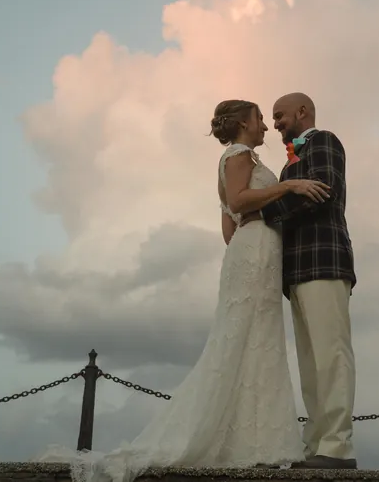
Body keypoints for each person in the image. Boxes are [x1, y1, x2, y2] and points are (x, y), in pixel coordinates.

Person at [35, 99, 331, 481]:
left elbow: (230, 230)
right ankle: (252, 442)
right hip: (256, 253)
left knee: (254, 340)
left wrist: (259, 224)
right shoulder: (239, 155)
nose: (264, 127)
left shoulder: (237, 160)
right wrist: (288, 186)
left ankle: (254, 442)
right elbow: (239, 201)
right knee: (247, 339)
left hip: (251, 249)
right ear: (244, 123)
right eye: (260, 119)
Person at [245, 92, 358, 470]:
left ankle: (338, 448)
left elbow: (323, 192)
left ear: (302, 111)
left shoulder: (324, 140)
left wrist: (265, 211)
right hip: (297, 271)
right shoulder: (290, 163)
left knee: (332, 355)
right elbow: (298, 197)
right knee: (310, 364)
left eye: (279, 115)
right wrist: (286, 193)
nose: (275, 123)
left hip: (324, 262)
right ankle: (316, 447)